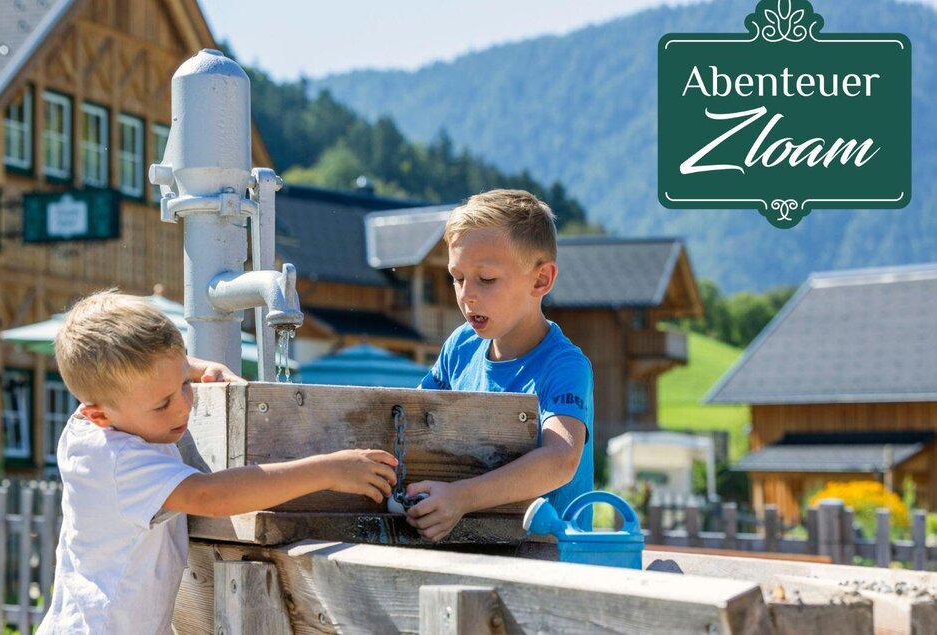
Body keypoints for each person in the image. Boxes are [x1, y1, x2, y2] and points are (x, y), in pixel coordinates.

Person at [37, 291, 396, 635]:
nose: (183, 406)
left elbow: (156, 373)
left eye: (184, 384)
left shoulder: (96, 419)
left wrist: (206, 367)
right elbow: (210, 497)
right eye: (162, 404)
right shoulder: (119, 461)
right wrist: (328, 470)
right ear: (99, 415)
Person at [406, 189, 594, 542]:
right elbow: (412, 417)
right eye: (457, 278)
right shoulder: (460, 346)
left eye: (486, 279)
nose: (466, 295)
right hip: (475, 548)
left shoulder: (566, 367)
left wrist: (462, 497)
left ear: (541, 280)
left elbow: (560, 460)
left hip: (555, 560)